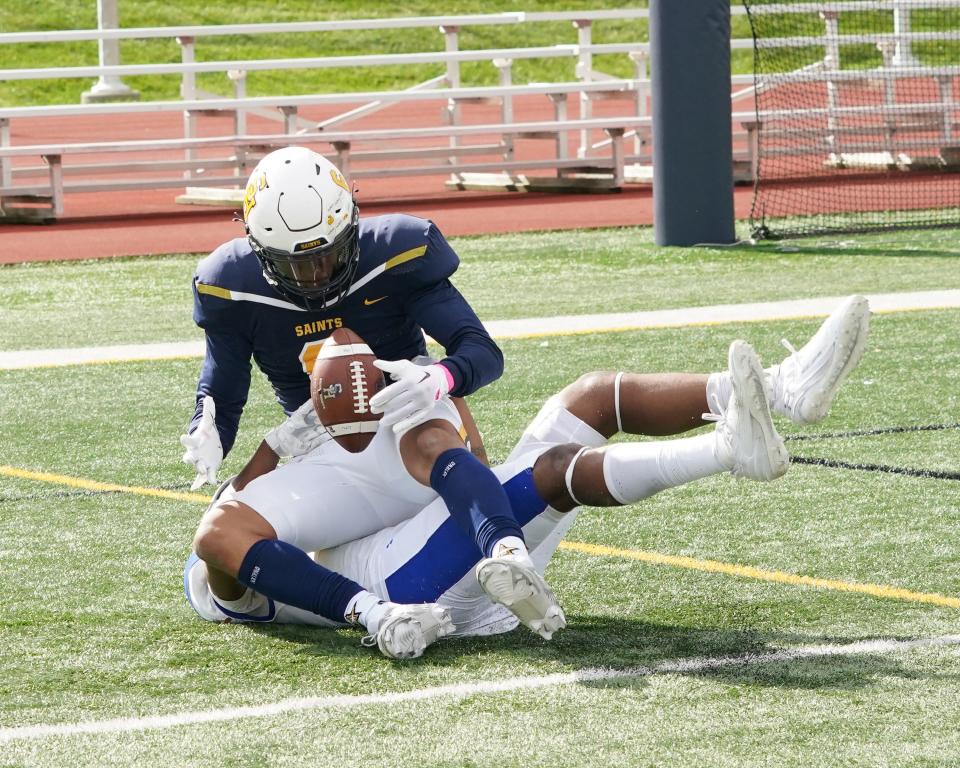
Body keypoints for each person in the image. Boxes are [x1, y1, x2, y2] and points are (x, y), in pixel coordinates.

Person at [184, 296, 872, 657]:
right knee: (551, 474)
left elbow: (470, 465)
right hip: (415, 588)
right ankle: (730, 453)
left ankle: (782, 389)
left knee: (590, 396)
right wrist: (368, 610)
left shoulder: (303, 486)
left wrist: (295, 430)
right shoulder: (236, 570)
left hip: (437, 541)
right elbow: (224, 554)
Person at [183, 146, 552, 656]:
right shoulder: (230, 284)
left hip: (410, 416)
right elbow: (223, 387)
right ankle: (373, 614)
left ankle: (509, 556)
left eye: (326, 254)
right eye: (295, 263)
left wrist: (438, 379)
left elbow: (481, 351)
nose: (315, 275)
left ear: (352, 224)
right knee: (216, 542)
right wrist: (208, 425)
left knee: (426, 428)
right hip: (321, 445)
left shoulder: (397, 251)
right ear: (256, 247)